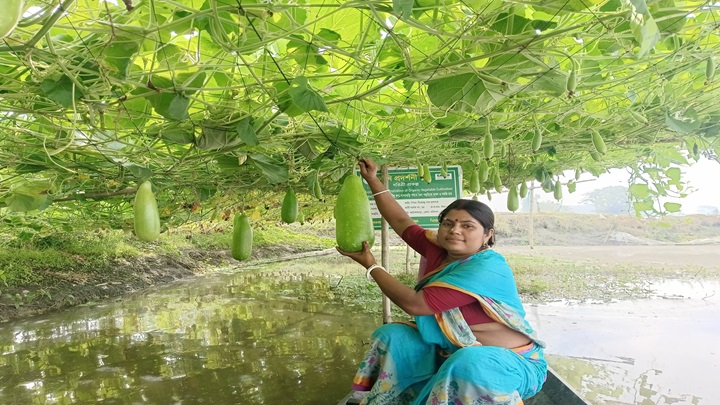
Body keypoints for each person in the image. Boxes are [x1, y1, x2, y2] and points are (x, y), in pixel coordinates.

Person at [336, 158, 547, 405]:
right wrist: (372, 180)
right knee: (392, 334)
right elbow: (403, 223)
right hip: (450, 353)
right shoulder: (440, 251)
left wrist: (371, 265)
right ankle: (394, 399)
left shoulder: (487, 267)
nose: (455, 230)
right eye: (448, 223)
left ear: (487, 235)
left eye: (467, 226)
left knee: (469, 362)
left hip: (509, 363)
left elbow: (416, 305)